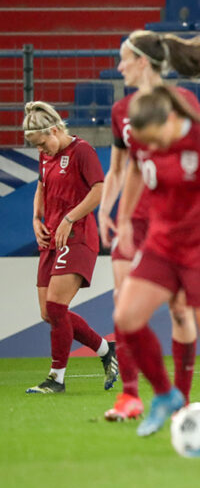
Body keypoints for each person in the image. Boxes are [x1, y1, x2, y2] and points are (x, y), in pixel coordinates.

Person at [112, 86, 200, 457]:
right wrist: (124, 219)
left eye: (156, 139)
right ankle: (165, 393)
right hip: (161, 244)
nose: (152, 148)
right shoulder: (145, 140)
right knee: (126, 317)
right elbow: (135, 173)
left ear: (172, 120)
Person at [98, 29, 200, 421]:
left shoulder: (183, 101)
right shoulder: (121, 111)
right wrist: (107, 210)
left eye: (123, 59)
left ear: (142, 62)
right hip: (134, 218)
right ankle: (129, 396)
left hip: (174, 220)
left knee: (181, 311)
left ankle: (179, 401)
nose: (119, 68)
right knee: (123, 305)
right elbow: (120, 169)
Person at [23, 102, 117, 394]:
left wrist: (69, 217)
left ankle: (56, 378)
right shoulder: (45, 155)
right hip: (51, 238)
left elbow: (100, 190)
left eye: (43, 143)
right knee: (49, 313)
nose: (42, 150)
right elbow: (41, 186)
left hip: (77, 237)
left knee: (56, 306)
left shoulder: (82, 151)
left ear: (54, 129)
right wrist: (36, 218)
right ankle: (106, 350)